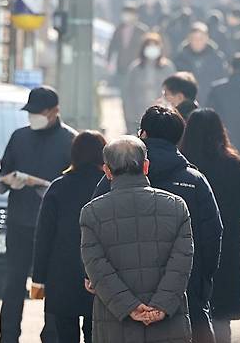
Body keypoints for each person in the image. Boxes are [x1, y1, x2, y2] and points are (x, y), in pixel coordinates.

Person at [93, 107, 223, 343]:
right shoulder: (194, 181)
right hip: (184, 287)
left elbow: (92, 237)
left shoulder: (112, 178)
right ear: (178, 137)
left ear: (143, 133)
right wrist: (204, 280)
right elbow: (212, 235)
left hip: (122, 293)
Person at [81, 136, 194, 343]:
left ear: (107, 171)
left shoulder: (92, 213)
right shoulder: (176, 206)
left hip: (115, 323)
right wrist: (161, 305)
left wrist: (129, 306)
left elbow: (96, 267)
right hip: (169, 322)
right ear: (146, 166)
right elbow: (181, 263)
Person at [0, 86, 77, 343]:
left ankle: (51, 337)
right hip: (19, 221)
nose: (32, 117)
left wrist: (38, 183)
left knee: (53, 286)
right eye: (30, 112)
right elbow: (1, 176)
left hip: (54, 227)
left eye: (37, 112)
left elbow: (71, 187)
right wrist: (8, 180)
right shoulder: (19, 137)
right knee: (13, 283)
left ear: (54, 111)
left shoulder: (70, 141)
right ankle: (8, 337)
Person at [180, 109, 240, 343]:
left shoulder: (183, 167)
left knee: (189, 311)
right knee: (222, 314)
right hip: (227, 245)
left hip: (188, 245)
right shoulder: (236, 165)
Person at [31, 131, 107, 343]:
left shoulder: (58, 187)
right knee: (95, 333)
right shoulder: (107, 186)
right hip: (97, 273)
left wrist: (38, 280)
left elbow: (44, 237)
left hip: (61, 275)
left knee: (65, 335)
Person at [123, 33, 176, 133]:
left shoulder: (168, 68)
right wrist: (129, 116)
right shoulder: (135, 68)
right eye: (149, 46)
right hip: (138, 115)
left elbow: (174, 91)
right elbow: (128, 94)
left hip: (162, 116)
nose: (152, 49)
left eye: (155, 46)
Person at [174, 22, 228, 106]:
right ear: (189, 39)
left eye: (201, 38)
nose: (197, 41)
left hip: (211, 104)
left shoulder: (217, 59)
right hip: (186, 106)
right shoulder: (180, 59)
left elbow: (222, 82)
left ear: (207, 38)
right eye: (194, 38)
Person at [107, 2, 149, 89]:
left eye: (130, 13)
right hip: (122, 66)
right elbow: (112, 46)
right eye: (125, 13)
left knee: (136, 89)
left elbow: (146, 48)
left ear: (136, 15)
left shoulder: (142, 31)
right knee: (123, 90)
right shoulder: (118, 29)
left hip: (138, 66)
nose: (127, 16)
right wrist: (109, 61)